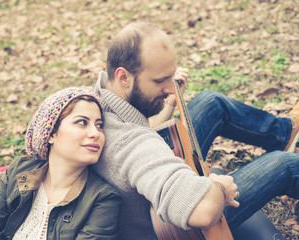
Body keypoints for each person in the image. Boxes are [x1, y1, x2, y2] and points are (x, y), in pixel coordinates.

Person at [92, 21, 299, 240]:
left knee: (210, 104)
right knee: (285, 165)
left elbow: (142, 131)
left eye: (171, 76)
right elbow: (201, 209)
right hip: (175, 228)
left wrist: (169, 105)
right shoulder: (132, 145)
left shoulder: (100, 101)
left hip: (149, 194)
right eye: (160, 80)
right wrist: (219, 188)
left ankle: (285, 134)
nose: (171, 87)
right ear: (123, 76)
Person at [0, 87, 122, 240]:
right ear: (51, 134)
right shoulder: (19, 171)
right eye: (81, 122)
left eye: (99, 125)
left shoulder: (103, 199)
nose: (95, 133)